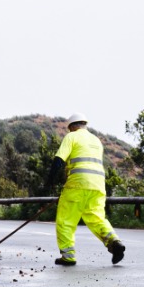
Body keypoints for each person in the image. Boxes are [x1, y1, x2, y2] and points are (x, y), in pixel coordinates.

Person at [49, 113, 125, 266]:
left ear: (71, 127)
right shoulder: (96, 140)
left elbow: (59, 160)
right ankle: (114, 241)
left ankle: (68, 256)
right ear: (85, 124)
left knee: (66, 220)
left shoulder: (71, 137)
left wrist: (48, 183)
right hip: (98, 184)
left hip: (78, 183)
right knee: (96, 218)